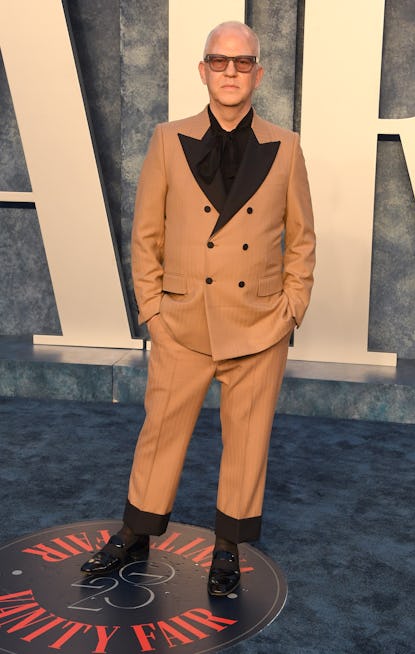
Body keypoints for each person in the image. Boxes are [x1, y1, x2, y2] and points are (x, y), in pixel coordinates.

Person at [81, 20, 315, 596]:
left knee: (248, 439)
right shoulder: (168, 139)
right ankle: (136, 534)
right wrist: (153, 312)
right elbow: (146, 235)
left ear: (258, 73)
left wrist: (291, 310)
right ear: (203, 70)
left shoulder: (286, 147)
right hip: (182, 322)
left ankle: (227, 549)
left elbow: (302, 239)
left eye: (242, 63)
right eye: (219, 60)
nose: (230, 72)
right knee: (160, 432)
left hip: (259, 324)